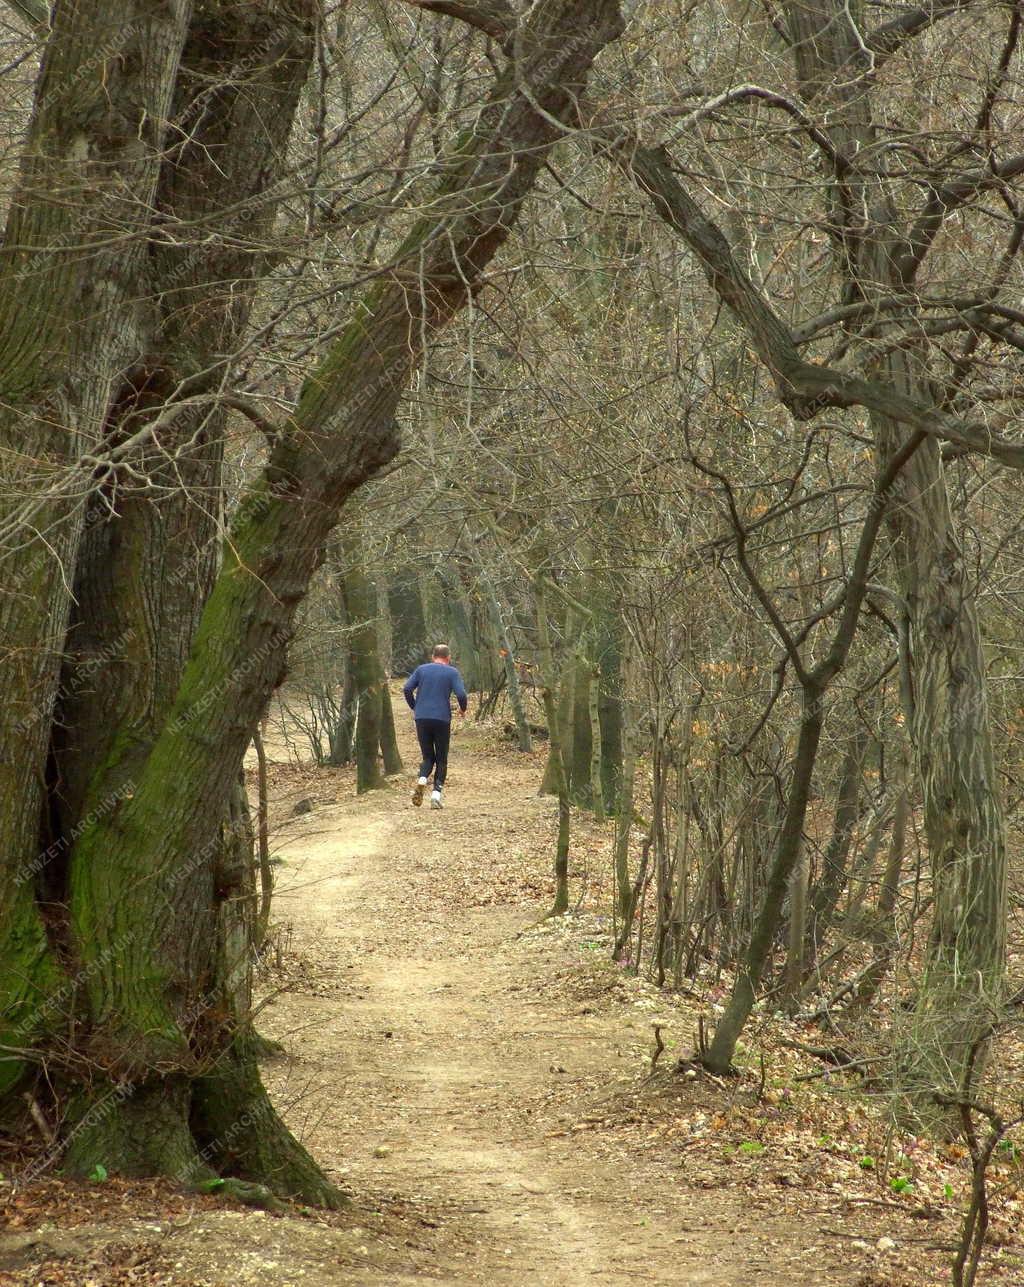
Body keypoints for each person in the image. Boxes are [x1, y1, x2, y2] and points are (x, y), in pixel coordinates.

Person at [403, 644, 467, 809]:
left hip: (422, 718)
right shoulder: (452, 672)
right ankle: (436, 796)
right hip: (442, 718)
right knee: (441, 758)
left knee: (427, 757)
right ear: (448, 657)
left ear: (433, 656)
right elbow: (461, 694)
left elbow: (407, 688)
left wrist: (415, 706)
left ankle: (422, 780)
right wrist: (462, 709)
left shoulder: (421, 669)